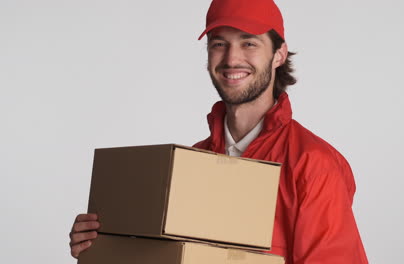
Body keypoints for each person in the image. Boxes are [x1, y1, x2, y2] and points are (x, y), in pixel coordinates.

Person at [69, 0, 369, 263]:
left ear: (279, 55)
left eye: (248, 43)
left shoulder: (313, 164)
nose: (231, 59)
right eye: (219, 43)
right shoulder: (192, 161)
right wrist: (105, 243)